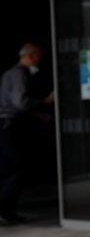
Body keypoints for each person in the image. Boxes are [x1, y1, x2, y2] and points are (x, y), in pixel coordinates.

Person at [0, 43, 53, 225]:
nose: (39, 60)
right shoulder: (19, 74)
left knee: (11, 169)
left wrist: (38, 115)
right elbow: (20, 103)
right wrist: (46, 101)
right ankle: (6, 211)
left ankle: (8, 212)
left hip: (7, 125)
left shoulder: (9, 74)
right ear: (30, 56)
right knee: (15, 170)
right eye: (38, 56)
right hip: (10, 126)